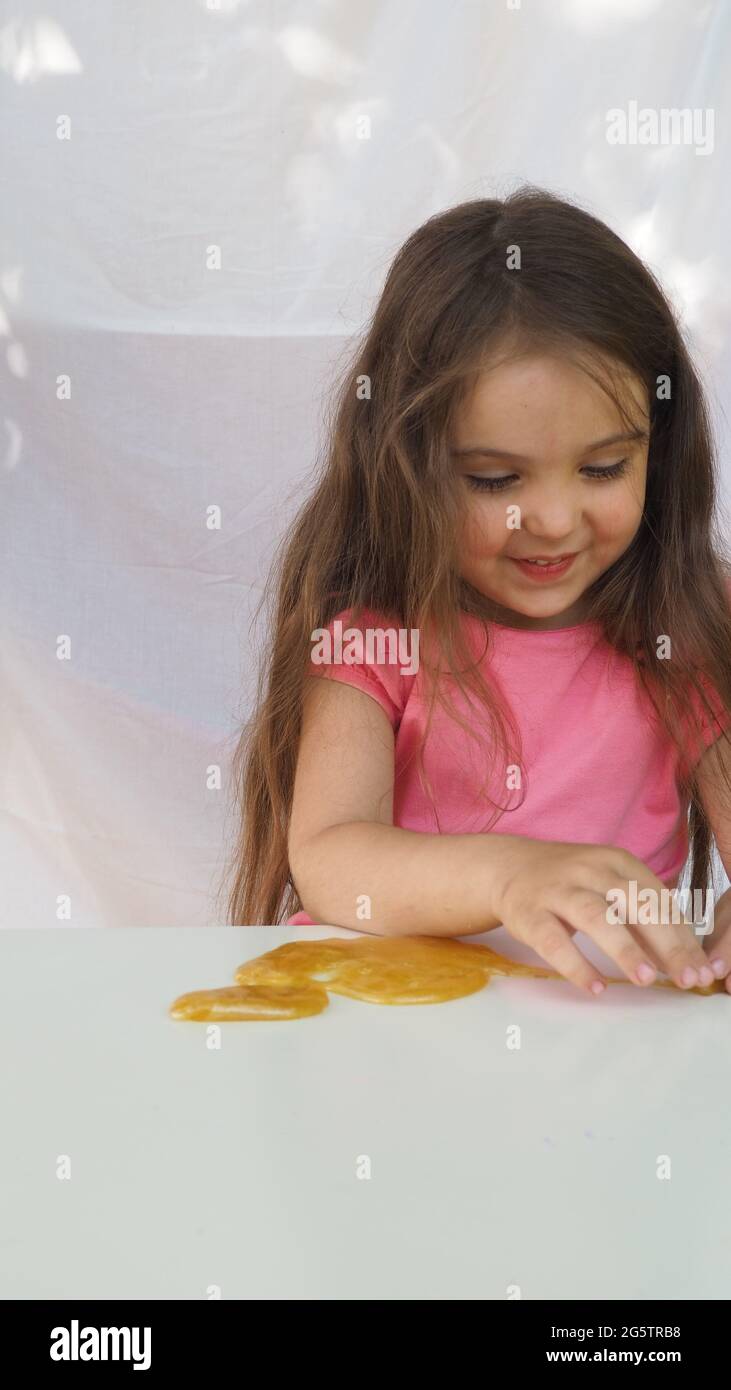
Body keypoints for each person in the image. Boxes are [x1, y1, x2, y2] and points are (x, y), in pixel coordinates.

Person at [225, 187, 731, 997]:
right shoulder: (377, 633)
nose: (555, 520)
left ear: (658, 452)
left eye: (603, 468)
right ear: (406, 464)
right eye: (494, 479)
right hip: (392, 1036)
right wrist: (507, 876)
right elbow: (328, 855)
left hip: (606, 1049)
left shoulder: (684, 627)